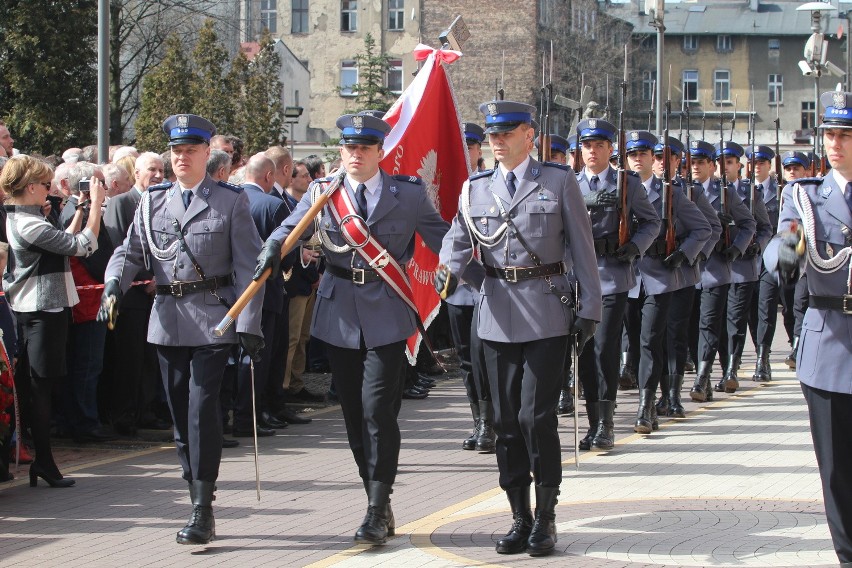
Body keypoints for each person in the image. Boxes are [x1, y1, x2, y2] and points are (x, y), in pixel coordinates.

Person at [255, 112, 449, 546]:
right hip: (339, 313)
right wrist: (271, 246)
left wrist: (457, 265)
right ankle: (374, 497)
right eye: (349, 147)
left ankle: (377, 507)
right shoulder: (325, 193)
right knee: (353, 417)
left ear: (381, 151)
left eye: (364, 147)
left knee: (379, 410)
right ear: (341, 151)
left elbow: (442, 237)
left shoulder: (408, 194)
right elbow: (289, 229)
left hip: (387, 311)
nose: (356, 154)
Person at [437, 101, 601, 557]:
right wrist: (456, 274)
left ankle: (546, 517)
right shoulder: (476, 190)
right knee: (506, 423)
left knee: (535, 417)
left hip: (547, 313)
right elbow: (457, 243)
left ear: (529, 135)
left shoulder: (557, 181)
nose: (497, 141)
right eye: (492, 133)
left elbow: (583, 251)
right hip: (496, 314)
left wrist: (590, 309)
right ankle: (519, 516)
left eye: (507, 132)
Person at [99, 114, 264, 545]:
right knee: (178, 414)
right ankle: (195, 491)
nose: (180, 159)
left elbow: (249, 267)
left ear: (206, 154)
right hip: (168, 320)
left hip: (214, 318)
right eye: (175, 152)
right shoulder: (153, 201)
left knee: (201, 409)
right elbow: (130, 252)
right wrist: (114, 283)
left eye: (189, 151)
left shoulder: (230, 201)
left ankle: (202, 507)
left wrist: (248, 322)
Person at [768, 90, 852, 567]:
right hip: (829, 345)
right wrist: (783, 251)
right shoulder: (804, 195)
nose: (835, 144)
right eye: (830, 135)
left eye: (845, 135)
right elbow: (783, 248)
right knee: (837, 470)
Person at [2, 155, 104, 487]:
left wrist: (79, 212)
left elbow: (60, 245)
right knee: (41, 390)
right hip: (41, 313)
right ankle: (44, 462)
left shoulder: (27, 218)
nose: (49, 191)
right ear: (30, 187)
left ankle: (43, 461)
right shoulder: (29, 223)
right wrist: (97, 208)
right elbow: (80, 247)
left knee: (43, 388)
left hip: (42, 311)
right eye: (45, 185)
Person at [575, 118, 660, 451]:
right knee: (582, 352)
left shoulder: (626, 183)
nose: (592, 152)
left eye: (599, 145)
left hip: (612, 275)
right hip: (579, 279)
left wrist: (635, 247)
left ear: (611, 149)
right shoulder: (571, 182)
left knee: (605, 349)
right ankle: (593, 421)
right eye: (587, 146)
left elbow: (651, 222)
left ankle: (606, 423)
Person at [623, 133, 711, 431]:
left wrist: (684, 255)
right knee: (634, 342)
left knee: (654, 340)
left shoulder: (672, 193)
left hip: (661, 277)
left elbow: (703, 228)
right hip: (626, 277)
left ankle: (649, 405)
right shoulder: (619, 189)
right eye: (631, 153)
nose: (639, 159)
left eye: (646, 154)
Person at [687, 140, 756, 402]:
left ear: (710, 165)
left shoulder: (724, 191)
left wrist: (737, 248)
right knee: (692, 328)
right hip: (689, 269)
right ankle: (700, 371)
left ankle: (702, 377)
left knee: (709, 324)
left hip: (716, 268)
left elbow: (749, 224)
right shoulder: (683, 190)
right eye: (691, 162)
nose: (695, 167)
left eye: (700, 162)